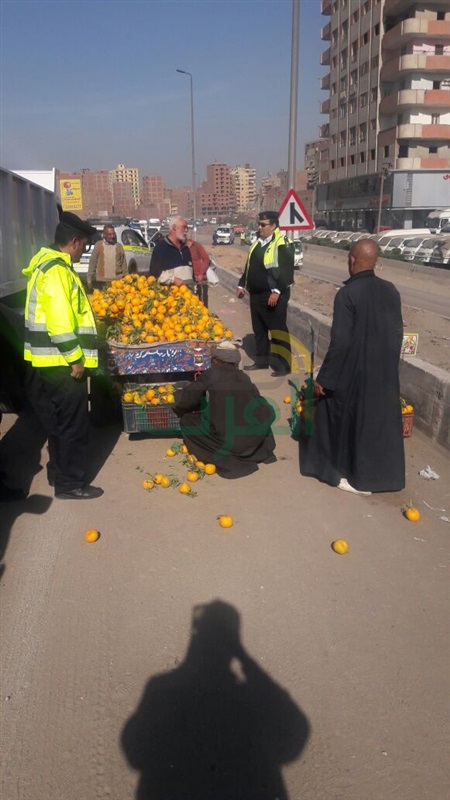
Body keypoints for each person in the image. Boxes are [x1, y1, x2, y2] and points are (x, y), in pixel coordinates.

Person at [300, 238, 405, 495]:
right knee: (377, 424)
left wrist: (324, 380)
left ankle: (337, 472)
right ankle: (381, 479)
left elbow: (341, 343)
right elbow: (397, 334)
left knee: (327, 411)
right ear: (375, 262)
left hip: (353, 374)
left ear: (352, 260)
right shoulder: (391, 290)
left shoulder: (347, 294)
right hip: (384, 374)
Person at [22, 211, 103, 499]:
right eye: (85, 244)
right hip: (63, 364)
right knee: (72, 425)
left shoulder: (45, 266)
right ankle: (71, 484)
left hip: (48, 362)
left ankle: (59, 474)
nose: (86, 250)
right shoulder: (56, 271)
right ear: (74, 241)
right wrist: (76, 359)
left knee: (57, 424)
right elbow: (59, 321)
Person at [173, 341, 276, 479]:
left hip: (231, 442)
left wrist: (176, 396)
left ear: (215, 360)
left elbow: (186, 399)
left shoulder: (212, 374)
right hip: (252, 440)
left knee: (187, 422)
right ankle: (251, 452)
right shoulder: (244, 377)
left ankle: (229, 459)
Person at [237, 211, 294, 377]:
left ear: (273, 226)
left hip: (274, 295)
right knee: (259, 330)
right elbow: (250, 267)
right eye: (259, 224)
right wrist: (242, 285)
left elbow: (287, 271)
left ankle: (284, 365)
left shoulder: (282, 243)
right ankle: (262, 362)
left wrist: (276, 291)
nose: (259, 227)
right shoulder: (258, 243)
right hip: (256, 295)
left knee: (277, 330)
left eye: (263, 225)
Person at [149, 216, 193, 287]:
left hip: (190, 296)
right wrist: (173, 279)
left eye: (186, 228)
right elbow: (155, 274)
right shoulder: (161, 248)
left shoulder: (185, 248)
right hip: (172, 296)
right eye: (183, 227)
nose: (186, 231)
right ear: (174, 228)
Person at [86, 224, 127, 289]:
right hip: (102, 282)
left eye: (113, 234)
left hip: (117, 282)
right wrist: (89, 279)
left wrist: (126, 279)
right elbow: (92, 263)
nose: (112, 236)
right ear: (104, 235)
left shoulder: (119, 246)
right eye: (110, 234)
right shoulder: (99, 245)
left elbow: (124, 265)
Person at [186, 236, 211, 307]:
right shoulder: (182, 247)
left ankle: (205, 315)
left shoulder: (197, 246)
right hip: (189, 278)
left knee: (202, 299)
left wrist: (201, 273)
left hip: (200, 277)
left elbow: (206, 259)